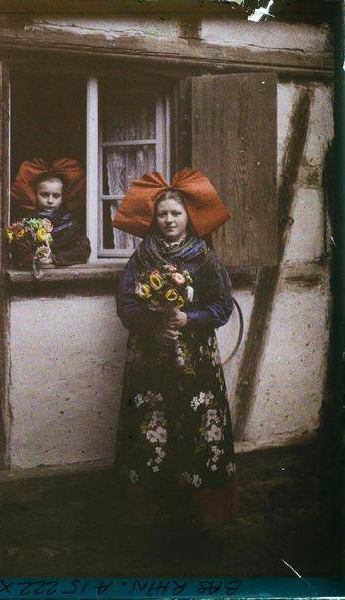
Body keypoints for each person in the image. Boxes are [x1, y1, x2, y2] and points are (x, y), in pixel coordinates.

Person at [113, 168, 237, 533]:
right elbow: (125, 305)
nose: (169, 220)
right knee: (153, 425)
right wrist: (155, 327)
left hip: (195, 360)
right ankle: (152, 512)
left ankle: (204, 510)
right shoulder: (141, 258)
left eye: (176, 213)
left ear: (189, 218)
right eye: (163, 214)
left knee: (197, 426)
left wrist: (189, 319)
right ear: (154, 218)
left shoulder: (204, 257)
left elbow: (222, 306)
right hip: (151, 358)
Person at [10, 157, 91, 267]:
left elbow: (83, 250)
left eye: (56, 196)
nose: (50, 200)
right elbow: (16, 251)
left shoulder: (69, 224)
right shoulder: (25, 223)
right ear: (35, 195)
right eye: (44, 195)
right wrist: (34, 257)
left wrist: (54, 258)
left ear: (63, 197)